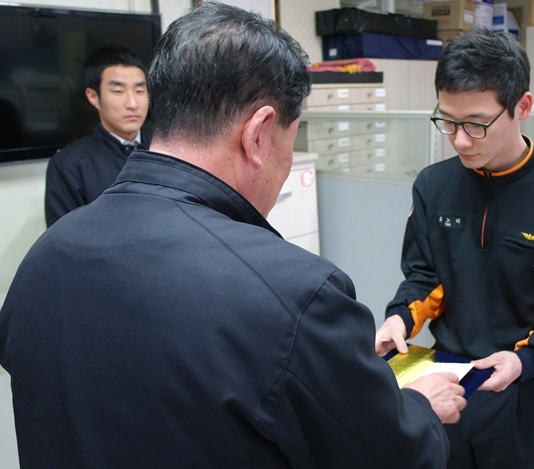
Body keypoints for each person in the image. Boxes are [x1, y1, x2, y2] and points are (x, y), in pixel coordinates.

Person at [0, 3, 466, 468]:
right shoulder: (294, 294)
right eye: (290, 141)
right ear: (258, 134)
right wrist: (421, 407)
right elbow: (394, 457)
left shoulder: (43, 259)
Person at [375, 29, 534, 469]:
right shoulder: (433, 185)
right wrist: (400, 318)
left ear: (523, 106)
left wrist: (527, 360)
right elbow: (426, 276)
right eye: (448, 121)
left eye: (477, 124)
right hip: (447, 381)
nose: (460, 140)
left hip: (527, 388)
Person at [44, 42, 150, 227]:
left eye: (140, 91)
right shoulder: (68, 166)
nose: (133, 103)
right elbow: (63, 238)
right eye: (118, 91)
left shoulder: (166, 152)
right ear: (93, 96)